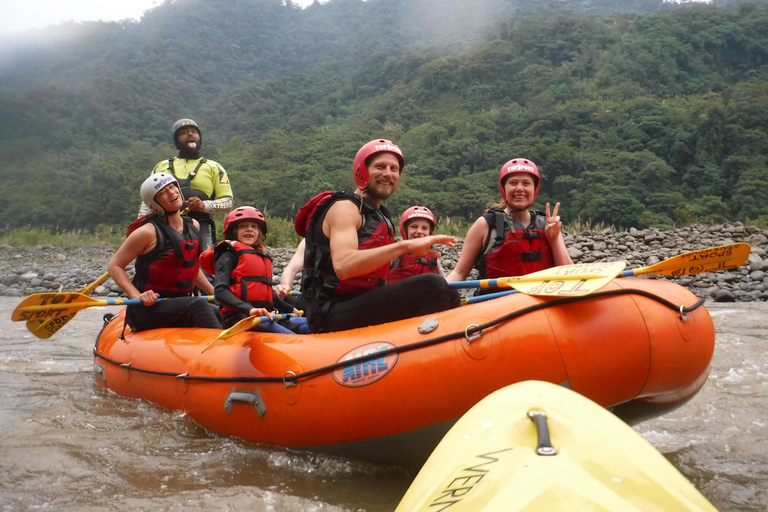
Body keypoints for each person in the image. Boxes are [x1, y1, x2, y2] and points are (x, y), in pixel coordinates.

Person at [296, 139, 461, 333]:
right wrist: (406, 246)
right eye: (380, 167)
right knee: (433, 286)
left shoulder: (380, 215)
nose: (388, 174)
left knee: (451, 294)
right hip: (331, 311)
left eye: (394, 169)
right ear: (361, 170)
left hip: (362, 302)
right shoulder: (345, 208)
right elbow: (344, 266)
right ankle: (419, 349)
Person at [108, 173, 221, 332]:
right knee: (198, 304)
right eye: (162, 192)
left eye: (172, 187)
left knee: (228, 312)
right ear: (154, 203)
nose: (171, 193)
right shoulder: (147, 232)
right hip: (148, 309)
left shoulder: (193, 225)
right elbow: (115, 266)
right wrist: (137, 296)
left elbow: (191, 267)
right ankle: (219, 351)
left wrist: (214, 294)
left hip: (181, 304)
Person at [446, 158, 573, 292]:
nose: (519, 189)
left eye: (526, 183)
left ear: (534, 189)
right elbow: (459, 273)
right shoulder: (485, 224)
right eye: (513, 183)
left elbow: (569, 274)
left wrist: (554, 239)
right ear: (504, 188)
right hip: (497, 305)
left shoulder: (548, 225)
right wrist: (436, 290)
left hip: (540, 304)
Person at [199, 206, 301, 332]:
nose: (249, 229)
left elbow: (267, 296)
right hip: (238, 318)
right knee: (291, 338)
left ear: (259, 232)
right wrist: (250, 310)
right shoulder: (228, 255)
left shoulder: (261, 255)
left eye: (254, 226)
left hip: (263, 317)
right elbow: (220, 292)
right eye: (243, 226)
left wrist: (292, 310)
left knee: (307, 325)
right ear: (233, 231)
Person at [139, 118, 234, 250]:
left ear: (199, 138)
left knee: (204, 268)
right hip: (163, 227)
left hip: (201, 227)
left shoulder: (214, 167)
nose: (190, 134)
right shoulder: (162, 167)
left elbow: (228, 203)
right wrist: (141, 227)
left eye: (193, 131)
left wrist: (203, 205)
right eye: (184, 132)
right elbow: (147, 202)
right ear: (177, 141)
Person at [388, 206, 445, 283]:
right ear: (405, 230)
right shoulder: (393, 255)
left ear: (430, 232)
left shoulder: (433, 259)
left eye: (424, 228)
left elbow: (444, 283)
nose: (419, 231)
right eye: (413, 227)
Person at [274, 238, 310, 313]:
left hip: (336, 302)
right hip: (310, 301)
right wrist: (285, 287)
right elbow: (291, 269)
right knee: (285, 301)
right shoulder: (309, 240)